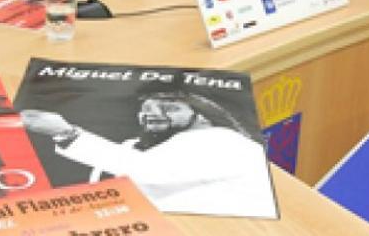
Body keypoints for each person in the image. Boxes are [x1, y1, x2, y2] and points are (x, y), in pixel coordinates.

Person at [21, 91, 276, 217]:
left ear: (203, 115)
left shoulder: (220, 139)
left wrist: (66, 132)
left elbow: (153, 172)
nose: (151, 113)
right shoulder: (169, 145)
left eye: (168, 107)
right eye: (145, 109)